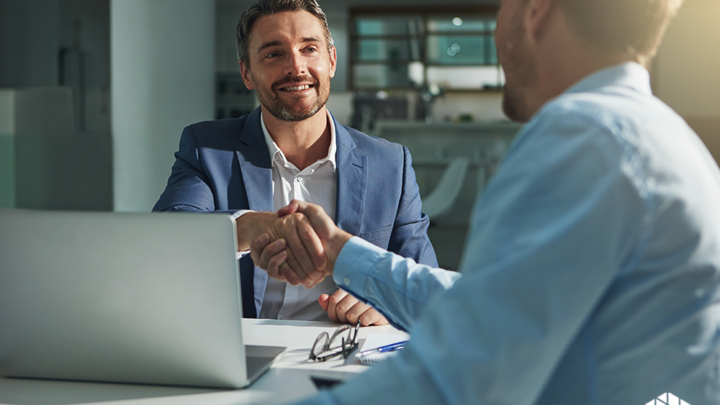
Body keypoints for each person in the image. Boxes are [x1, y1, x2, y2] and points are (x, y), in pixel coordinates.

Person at [252, 0, 720, 403]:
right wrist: (342, 253)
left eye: (501, 7)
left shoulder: (581, 137)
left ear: (536, 12)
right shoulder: (658, 133)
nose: (497, 30)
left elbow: (458, 378)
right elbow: (487, 305)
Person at [153, 0, 437, 324]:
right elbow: (167, 236)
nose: (296, 67)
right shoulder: (207, 149)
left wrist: (387, 305)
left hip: (344, 358)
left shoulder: (390, 165)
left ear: (331, 60)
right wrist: (252, 227)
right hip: (239, 357)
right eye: (274, 54)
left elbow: (427, 288)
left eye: (309, 49)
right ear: (247, 72)